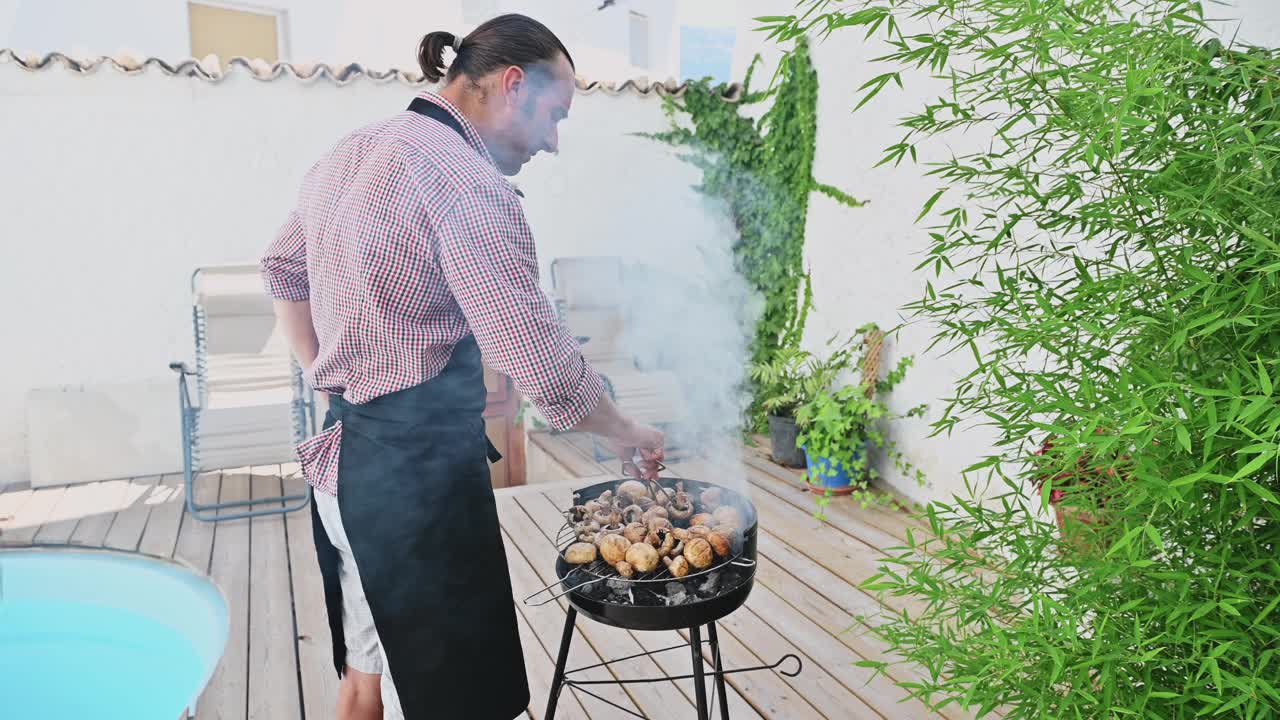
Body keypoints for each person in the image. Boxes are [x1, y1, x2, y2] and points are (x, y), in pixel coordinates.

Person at [259, 14, 664, 720]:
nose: (553, 142)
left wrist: (323, 371)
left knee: (364, 676)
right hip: (415, 494)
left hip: (342, 467)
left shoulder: (351, 151)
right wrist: (627, 430)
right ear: (513, 84)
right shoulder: (467, 184)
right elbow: (546, 375)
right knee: (465, 702)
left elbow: (281, 268)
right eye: (554, 116)